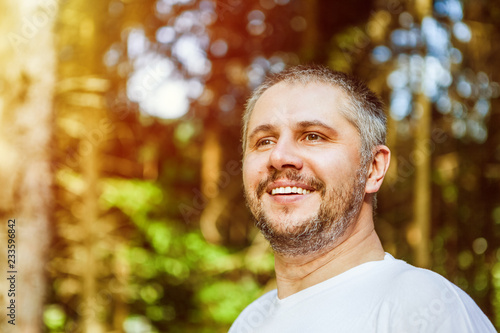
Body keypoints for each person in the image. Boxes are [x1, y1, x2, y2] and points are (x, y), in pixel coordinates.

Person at [229, 65, 496, 332]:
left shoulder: (426, 306)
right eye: (264, 141)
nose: (279, 157)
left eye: (313, 136)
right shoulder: (248, 322)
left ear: (373, 168)